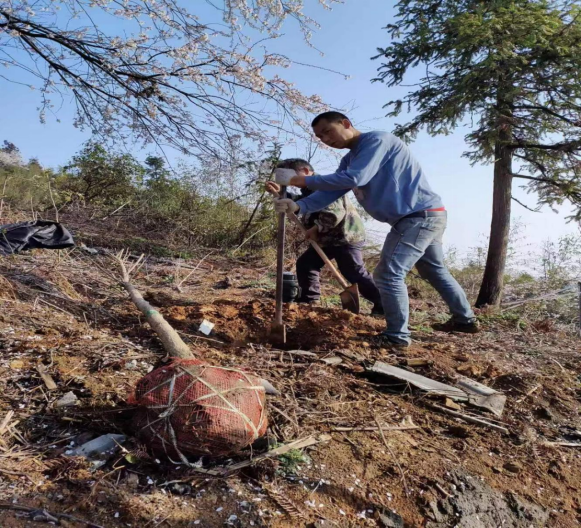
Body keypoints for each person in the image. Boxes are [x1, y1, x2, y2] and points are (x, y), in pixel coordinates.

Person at [272, 111, 479, 350]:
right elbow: (333, 191)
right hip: (423, 216)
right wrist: (299, 205)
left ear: (346, 124)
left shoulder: (377, 141)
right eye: (320, 137)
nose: (325, 139)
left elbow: (355, 177)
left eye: (328, 131)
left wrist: (302, 181)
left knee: (388, 274)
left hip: (417, 217)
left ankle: (396, 337)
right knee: (434, 271)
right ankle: (465, 320)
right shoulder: (349, 159)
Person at [267, 158, 383, 315]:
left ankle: (384, 304)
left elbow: (334, 213)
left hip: (345, 237)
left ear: (306, 172)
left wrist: (316, 228)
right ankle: (309, 299)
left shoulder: (324, 186)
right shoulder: (308, 190)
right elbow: (300, 204)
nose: (290, 181)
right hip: (326, 239)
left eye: (291, 176)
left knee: (353, 272)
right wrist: (281, 194)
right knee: (306, 264)